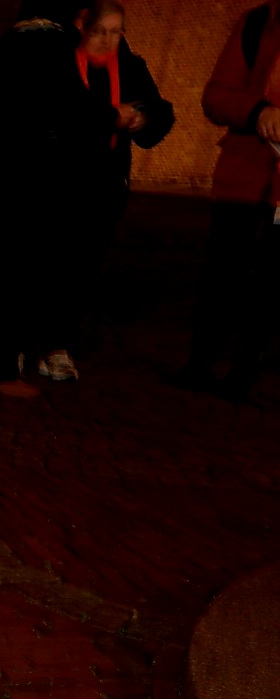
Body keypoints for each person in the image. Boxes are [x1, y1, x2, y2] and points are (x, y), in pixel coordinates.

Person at [0, 1, 170, 392]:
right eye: (97, 29)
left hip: (94, 190)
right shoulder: (42, 45)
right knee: (19, 269)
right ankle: (1, 360)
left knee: (71, 272)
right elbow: (53, 103)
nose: (106, 39)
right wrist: (111, 117)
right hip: (35, 183)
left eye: (116, 31)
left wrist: (140, 116)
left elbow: (153, 109)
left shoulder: (119, 61)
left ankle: (36, 349)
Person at [177, 0, 280, 401]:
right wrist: (258, 111)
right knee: (222, 272)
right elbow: (216, 95)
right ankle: (201, 361)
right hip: (245, 174)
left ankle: (244, 369)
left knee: (271, 280)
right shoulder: (258, 23)